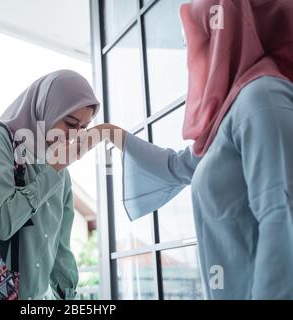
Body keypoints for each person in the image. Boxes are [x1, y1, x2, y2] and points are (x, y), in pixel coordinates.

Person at [88, 0, 293, 299]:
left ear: (229, 38)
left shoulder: (261, 98)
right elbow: (176, 166)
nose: (191, 57)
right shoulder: (231, 115)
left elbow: (283, 219)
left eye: (200, 41)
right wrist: (109, 134)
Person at [0, 70, 100, 300]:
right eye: (71, 123)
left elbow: (60, 248)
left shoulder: (61, 174)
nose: (75, 137)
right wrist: (54, 170)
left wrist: (68, 296)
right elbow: (3, 222)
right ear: (46, 110)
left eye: (84, 127)